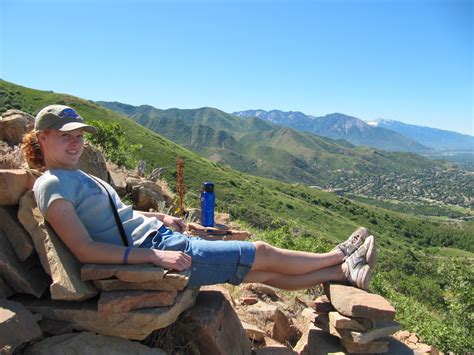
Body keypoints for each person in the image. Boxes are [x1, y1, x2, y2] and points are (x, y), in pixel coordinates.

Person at [21, 104, 377, 290]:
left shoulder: (77, 174)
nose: (75, 141)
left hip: (160, 237)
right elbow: (85, 249)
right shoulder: (52, 185)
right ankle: (338, 255)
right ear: (41, 138)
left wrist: (159, 218)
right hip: (160, 253)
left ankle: (342, 274)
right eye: (65, 135)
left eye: (79, 135)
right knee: (262, 252)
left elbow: (118, 216)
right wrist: (156, 255)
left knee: (262, 276)